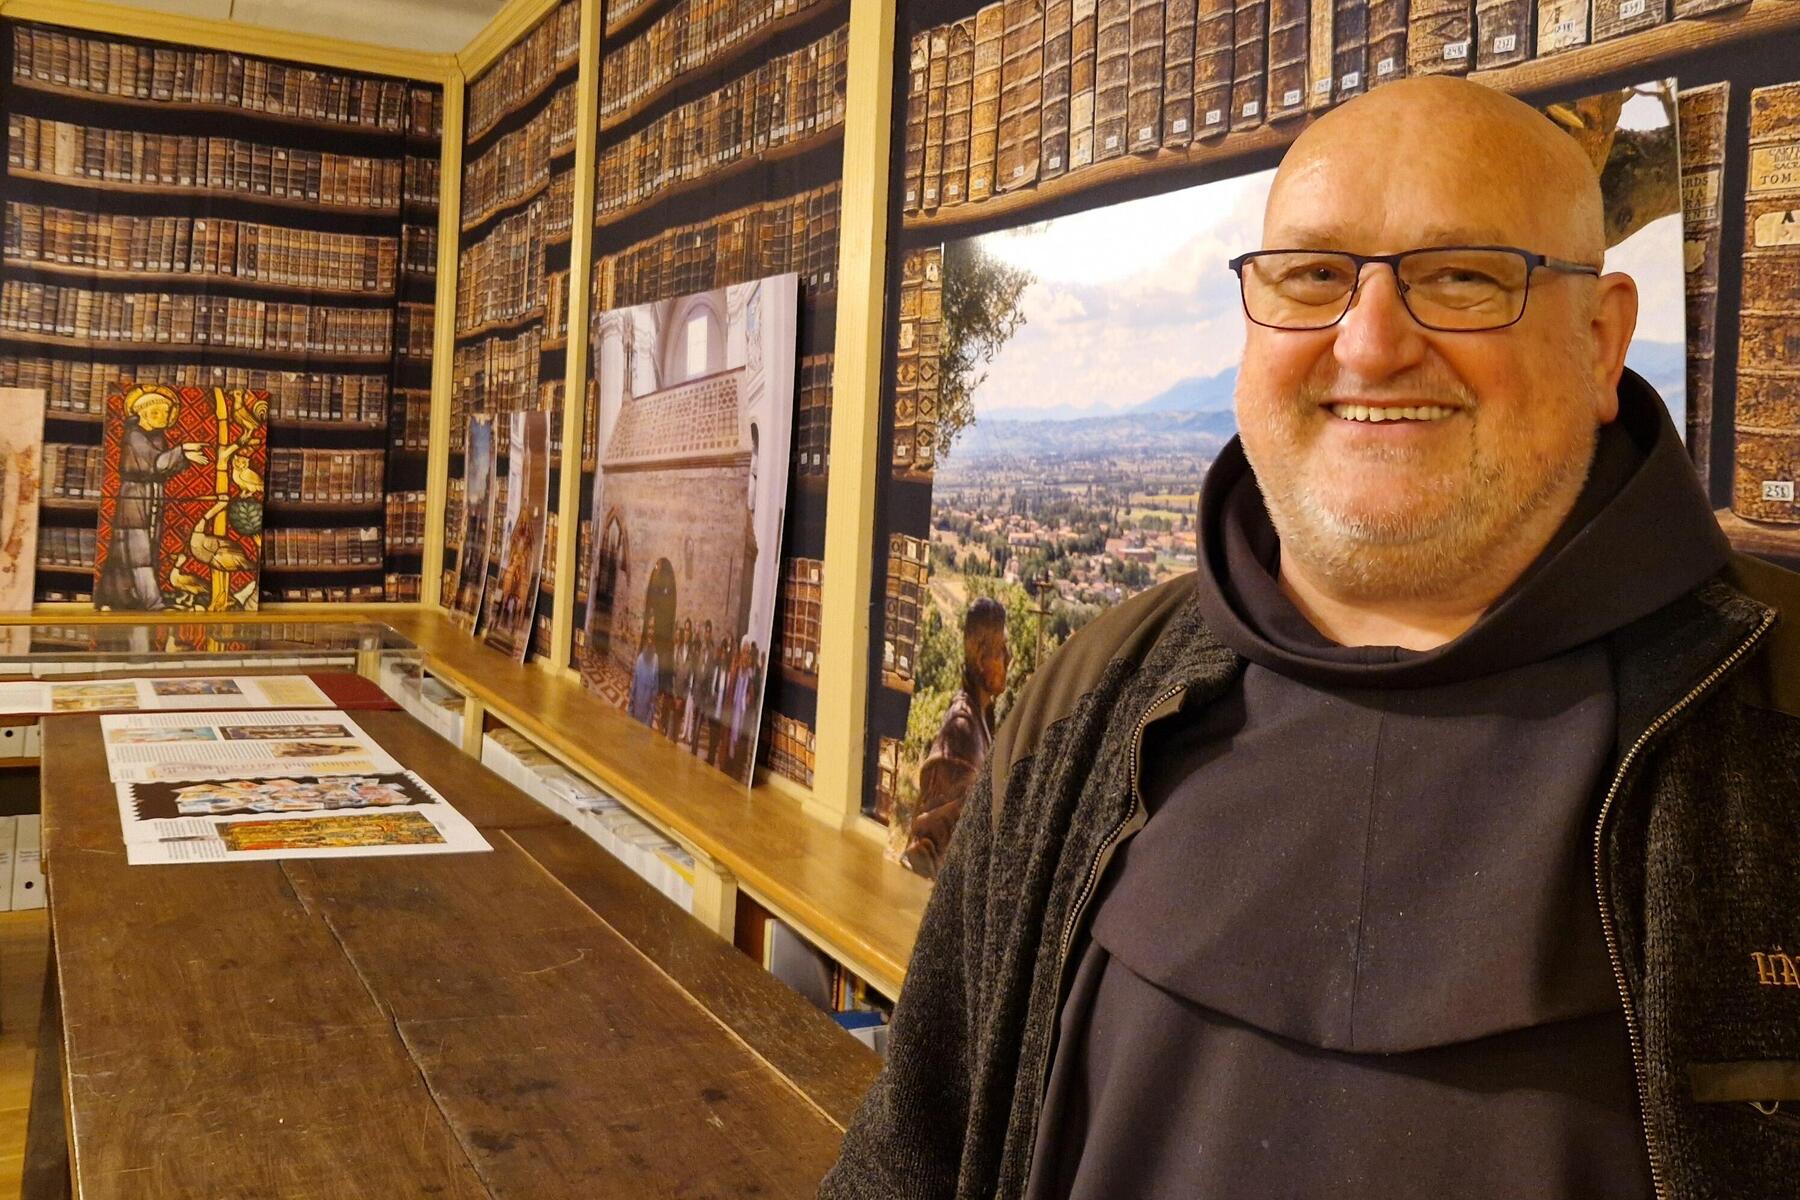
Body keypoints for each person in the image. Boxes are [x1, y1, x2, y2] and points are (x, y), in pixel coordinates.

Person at [822, 75, 1800, 1200]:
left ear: (1599, 340)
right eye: (1313, 277)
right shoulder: (1085, 701)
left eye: (1464, 275)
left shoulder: (1771, 721)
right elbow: (913, 1154)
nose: (1371, 344)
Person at [902, 596, 1009, 876]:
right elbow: (929, 846)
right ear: (981, 659)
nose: (1008, 658)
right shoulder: (962, 731)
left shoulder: (981, 717)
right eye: (1001, 650)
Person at [95, 384, 208, 611]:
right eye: (157, 412)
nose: (164, 417)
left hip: (151, 495)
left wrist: (182, 455)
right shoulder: (134, 436)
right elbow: (156, 463)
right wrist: (182, 451)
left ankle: (118, 596)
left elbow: (164, 467)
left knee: (133, 548)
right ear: (143, 414)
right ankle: (151, 602)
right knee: (139, 549)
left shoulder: (156, 437)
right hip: (135, 496)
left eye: (166, 412)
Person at [627, 626, 659, 727]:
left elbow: (654, 693)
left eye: (652, 637)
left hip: (646, 718)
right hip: (635, 712)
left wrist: (648, 721)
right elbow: (634, 687)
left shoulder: (655, 660)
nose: (650, 640)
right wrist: (630, 712)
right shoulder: (640, 658)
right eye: (648, 636)